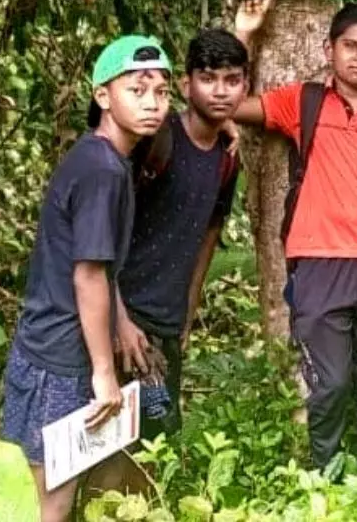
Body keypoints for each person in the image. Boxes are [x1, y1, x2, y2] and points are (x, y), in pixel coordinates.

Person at [232, 0, 357, 472]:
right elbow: (230, 103)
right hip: (318, 263)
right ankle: (324, 480)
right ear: (329, 49)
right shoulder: (305, 102)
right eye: (350, 46)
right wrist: (244, 34)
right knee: (332, 383)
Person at [0, 35, 172, 521]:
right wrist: (102, 372)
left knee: (47, 492)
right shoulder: (104, 172)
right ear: (102, 97)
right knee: (48, 502)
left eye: (161, 92)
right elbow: (88, 276)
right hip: (60, 357)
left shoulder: (102, 159)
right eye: (137, 90)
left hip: (49, 345)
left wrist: (122, 323)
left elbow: (99, 266)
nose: (152, 103)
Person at [87, 28, 249, 494]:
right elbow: (104, 236)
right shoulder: (156, 139)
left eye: (232, 80)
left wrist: (188, 312)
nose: (220, 91)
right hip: (120, 312)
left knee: (154, 442)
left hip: (165, 322)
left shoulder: (227, 157)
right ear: (186, 84)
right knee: (108, 443)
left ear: (244, 84)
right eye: (207, 79)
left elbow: (209, 234)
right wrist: (118, 320)